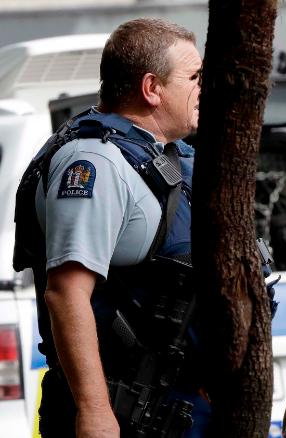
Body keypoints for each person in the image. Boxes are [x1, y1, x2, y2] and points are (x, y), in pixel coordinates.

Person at [13, 18, 205, 437]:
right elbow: (65, 293)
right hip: (127, 412)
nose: (202, 87)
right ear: (152, 88)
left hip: (178, 407)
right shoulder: (95, 164)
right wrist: (95, 412)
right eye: (194, 77)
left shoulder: (164, 155)